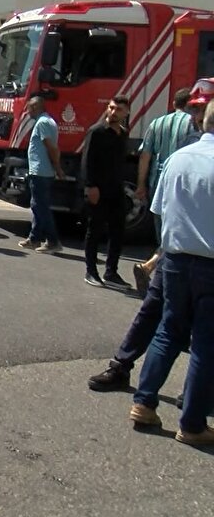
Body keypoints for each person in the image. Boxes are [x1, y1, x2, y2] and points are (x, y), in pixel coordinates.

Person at [127, 102, 214, 446]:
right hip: (210, 262)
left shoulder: (178, 158)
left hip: (175, 259)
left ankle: (144, 401)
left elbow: (159, 208)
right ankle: (192, 423)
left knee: (169, 331)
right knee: (206, 343)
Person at [132, 88, 205, 293]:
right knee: (178, 236)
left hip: (159, 183)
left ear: (173, 103)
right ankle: (160, 277)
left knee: (163, 233)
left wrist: (140, 185)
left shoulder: (157, 123)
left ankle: (152, 269)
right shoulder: (194, 125)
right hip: (184, 185)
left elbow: (145, 156)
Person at [81, 96, 130, 288]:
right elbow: (87, 161)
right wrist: (90, 186)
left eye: (118, 109)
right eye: (111, 108)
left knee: (118, 231)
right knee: (94, 231)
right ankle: (91, 271)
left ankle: (111, 272)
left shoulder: (123, 134)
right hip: (98, 190)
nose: (113, 112)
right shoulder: (97, 131)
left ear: (126, 113)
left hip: (117, 190)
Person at [18, 96, 65, 254]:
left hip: (41, 171)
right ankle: (34, 238)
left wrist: (58, 168)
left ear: (36, 107)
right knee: (37, 205)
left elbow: (51, 148)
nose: (27, 111)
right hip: (40, 170)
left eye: (29, 108)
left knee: (41, 207)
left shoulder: (43, 122)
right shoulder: (45, 121)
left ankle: (53, 241)